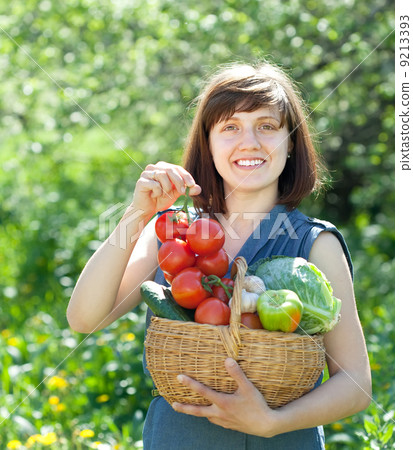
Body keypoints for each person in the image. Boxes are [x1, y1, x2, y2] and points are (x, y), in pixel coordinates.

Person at [67, 62, 371, 449]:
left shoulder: (314, 243)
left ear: (291, 141)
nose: (250, 142)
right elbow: (84, 318)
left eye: (267, 126)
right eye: (230, 127)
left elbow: (356, 382)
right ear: (207, 142)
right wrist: (137, 214)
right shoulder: (169, 234)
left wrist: (273, 422)